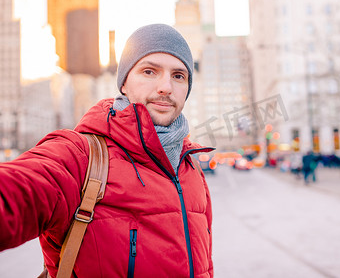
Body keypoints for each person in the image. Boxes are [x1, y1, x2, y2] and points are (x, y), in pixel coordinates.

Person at [0, 24, 214, 277]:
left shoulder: (190, 167)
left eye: (179, 76)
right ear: (124, 83)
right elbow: (18, 190)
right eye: (149, 71)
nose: (166, 87)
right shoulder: (81, 156)